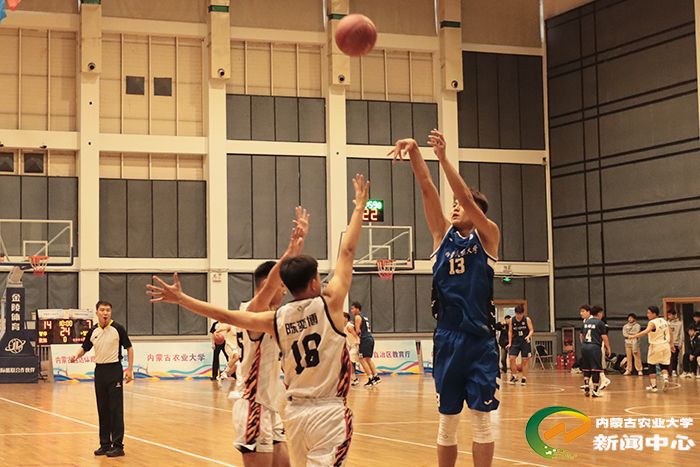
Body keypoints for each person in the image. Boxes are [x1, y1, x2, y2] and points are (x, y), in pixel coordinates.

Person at [148, 175, 369, 467]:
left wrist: (184, 299)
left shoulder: (276, 318)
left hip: (289, 409)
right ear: (314, 282)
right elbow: (347, 252)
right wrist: (359, 207)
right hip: (286, 406)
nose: (278, 287)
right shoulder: (322, 306)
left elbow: (224, 315)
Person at [388, 130, 500, 467]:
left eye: (460, 206)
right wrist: (415, 153)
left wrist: (443, 158)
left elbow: (463, 195)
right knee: (447, 423)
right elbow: (427, 188)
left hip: (480, 340)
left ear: (476, 213)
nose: (454, 207)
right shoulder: (441, 236)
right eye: (452, 205)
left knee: (481, 421)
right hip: (448, 338)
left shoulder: (488, 236)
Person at [231, 259, 294, 467]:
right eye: (282, 285)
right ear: (269, 284)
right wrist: (291, 254)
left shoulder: (273, 317)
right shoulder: (252, 311)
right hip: (254, 405)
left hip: (269, 405)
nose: (285, 291)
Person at [70, 301, 134, 458]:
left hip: (114, 370)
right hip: (99, 371)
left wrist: (130, 369)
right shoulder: (93, 330)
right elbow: (85, 347)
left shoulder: (118, 328)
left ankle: (118, 446)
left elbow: (129, 348)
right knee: (102, 408)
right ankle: (105, 444)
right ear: (97, 312)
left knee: (115, 410)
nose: (105, 313)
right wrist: (76, 355)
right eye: (102, 310)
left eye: (108, 310)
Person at [630, 306, 673, 392]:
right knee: (664, 365)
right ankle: (665, 379)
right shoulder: (664, 321)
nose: (647, 315)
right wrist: (671, 344)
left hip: (656, 346)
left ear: (654, 314)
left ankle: (654, 386)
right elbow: (670, 332)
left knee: (651, 365)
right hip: (666, 345)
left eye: (649, 313)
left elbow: (646, 331)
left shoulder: (652, 322)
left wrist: (634, 336)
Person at [580, 306, 611, 397]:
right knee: (596, 369)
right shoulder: (600, 323)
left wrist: (584, 344)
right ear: (599, 313)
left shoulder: (586, 322)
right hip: (594, 347)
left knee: (586, 368)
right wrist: (608, 348)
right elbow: (604, 336)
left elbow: (581, 335)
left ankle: (586, 386)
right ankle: (595, 390)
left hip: (585, 347)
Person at [351, 302, 380, 386]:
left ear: (357, 309)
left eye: (352, 308)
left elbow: (358, 331)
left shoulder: (357, 317)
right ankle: (376, 377)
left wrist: (355, 335)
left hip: (364, 339)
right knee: (368, 359)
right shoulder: (364, 317)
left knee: (361, 359)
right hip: (370, 338)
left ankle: (370, 378)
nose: (351, 310)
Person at [507, 306, 533, 386]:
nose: (519, 316)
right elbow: (510, 331)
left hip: (525, 341)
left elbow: (531, 330)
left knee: (524, 360)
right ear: (515, 313)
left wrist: (528, 336)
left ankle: (524, 378)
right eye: (517, 314)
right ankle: (514, 376)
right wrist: (510, 343)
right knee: (511, 358)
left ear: (523, 313)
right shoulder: (512, 320)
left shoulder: (527, 319)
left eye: (520, 314)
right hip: (515, 341)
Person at [592, 306, 612, 391]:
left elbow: (604, 336)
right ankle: (601, 379)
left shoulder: (600, 323)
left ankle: (603, 380)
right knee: (592, 364)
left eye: (583, 311)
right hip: (590, 345)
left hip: (598, 344)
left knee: (598, 363)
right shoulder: (587, 322)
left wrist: (608, 347)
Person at [344, 312, 361, 386]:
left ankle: (372, 377)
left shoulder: (349, 326)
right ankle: (354, 379)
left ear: (346, 318)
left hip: (356, 346)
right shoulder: (343, 327)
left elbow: (356, 335)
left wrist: (358, 343)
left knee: (351, 361)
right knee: (349, 362)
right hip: (351, 347)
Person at [667, 309, 683, 377]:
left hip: (675, 343)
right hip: (667, 343)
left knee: (674, 358)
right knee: (667, 358)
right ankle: (666, 371)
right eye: (668, 315)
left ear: (674, 315)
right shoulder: (667, 323)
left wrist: (680, 343)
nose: (669, 316)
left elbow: (681, 334)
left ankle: (674, 370)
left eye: (670, 315)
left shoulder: (679, 323)